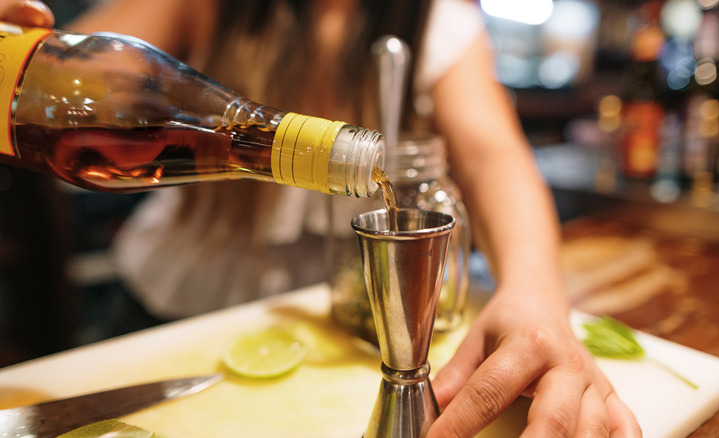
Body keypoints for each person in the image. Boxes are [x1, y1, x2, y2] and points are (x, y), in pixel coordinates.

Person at [1, 0, 641, 436]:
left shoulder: (436, 16)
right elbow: (76, 69)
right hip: (166, 315)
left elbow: (493, 154)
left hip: (344, 333)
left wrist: (535, 297)